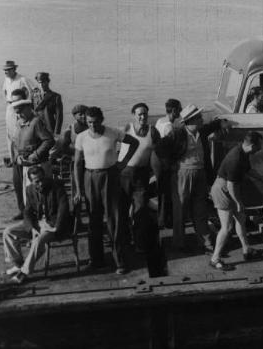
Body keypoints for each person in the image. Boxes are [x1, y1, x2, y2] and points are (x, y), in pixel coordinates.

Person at [74, 106, 139, 274]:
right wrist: (79, 190)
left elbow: (134, 142)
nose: (92, 126)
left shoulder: (112, 133)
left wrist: (123, 163)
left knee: (114, 219)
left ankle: (120, 262)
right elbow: (77, 164)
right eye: (89, 123)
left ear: (102, 120)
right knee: (94, 220)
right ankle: (96, 260)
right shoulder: (81, 137)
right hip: (90, 177)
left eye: (95, 122)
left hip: (110, 177)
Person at [157, 104, 229, 253]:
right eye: (199, 117)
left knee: (200, 209)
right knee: (180, 210)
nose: (202, 119)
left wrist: (221, 122)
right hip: (182, 174)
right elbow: (160, 147)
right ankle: (179, 244)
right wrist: (169, 165)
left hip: (200, 173)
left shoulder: (200, 132)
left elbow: (212, 125)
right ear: (192, 120)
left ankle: (206, 243)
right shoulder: (177, 133)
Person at [3, 166, 71, 284]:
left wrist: (56, 228)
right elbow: (27, 211)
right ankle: (18, 263)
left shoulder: (56, 187)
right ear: (31, 181)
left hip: (53, 224)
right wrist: (32, 228)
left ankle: (24, 273)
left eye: (42, 179)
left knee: (38, 241)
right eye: (37, 181)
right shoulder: (29, 190)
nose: (41, 183)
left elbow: (63, 210)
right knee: (8, 232)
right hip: (38, 223)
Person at [209, 131, 263, 270]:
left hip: (230, 188)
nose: (260, 149)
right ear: (252, 146)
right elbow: (230, 185)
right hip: (223, 190)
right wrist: (238, 203)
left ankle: (247, 250)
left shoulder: (243, 152)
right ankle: (215, 258)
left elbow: (248, 170)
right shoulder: (235, 158)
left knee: (241, 218)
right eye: (259, 146)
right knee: (227, 227)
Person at [119, 103, 163, 277]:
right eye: (139, 114)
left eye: (144, 114)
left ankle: (139, 243)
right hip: (124, 174)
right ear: (133, 115)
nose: (142, 117)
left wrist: (157, 174)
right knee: (122, 210)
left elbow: (159, 153)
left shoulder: (153, 132)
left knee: (141, 209)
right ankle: (123, 242)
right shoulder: (126, 128)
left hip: (142, 176)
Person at [11, 99, 55, 221]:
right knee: (29, 196)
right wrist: (17, 156)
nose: (19, 115)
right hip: (26, 166)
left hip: (39, 166)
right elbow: (15, 143)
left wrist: (36, 154)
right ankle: (33, 223)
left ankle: (48, 222)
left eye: (21, 111)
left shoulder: (36, 122)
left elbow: (49, 140)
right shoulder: (19, 123)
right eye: (16, 112)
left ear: (28, 108)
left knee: (43, 195)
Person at [153, 98, 183, 232]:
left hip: (156, 159)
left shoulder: (160, 121)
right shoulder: (169, 128)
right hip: (163, 160)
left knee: (161, 190)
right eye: (180, 109)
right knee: (167, 191)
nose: (181, 112)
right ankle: (165, 220)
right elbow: (171, 148)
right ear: (174, 110)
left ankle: (162, 218)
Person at [2, 60, 34, 162]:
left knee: (19, 132)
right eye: (5, 70)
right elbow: (4, 92)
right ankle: (13, 159)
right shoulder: (6, 80)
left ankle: (22, 157)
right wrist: (7, 102)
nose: (6, 72)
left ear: (14, 69)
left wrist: (26, 105)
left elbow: (32, 91)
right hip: (9, 108)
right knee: (9, 134)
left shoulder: (22, 79)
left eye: (8, 70)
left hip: (19, 108)